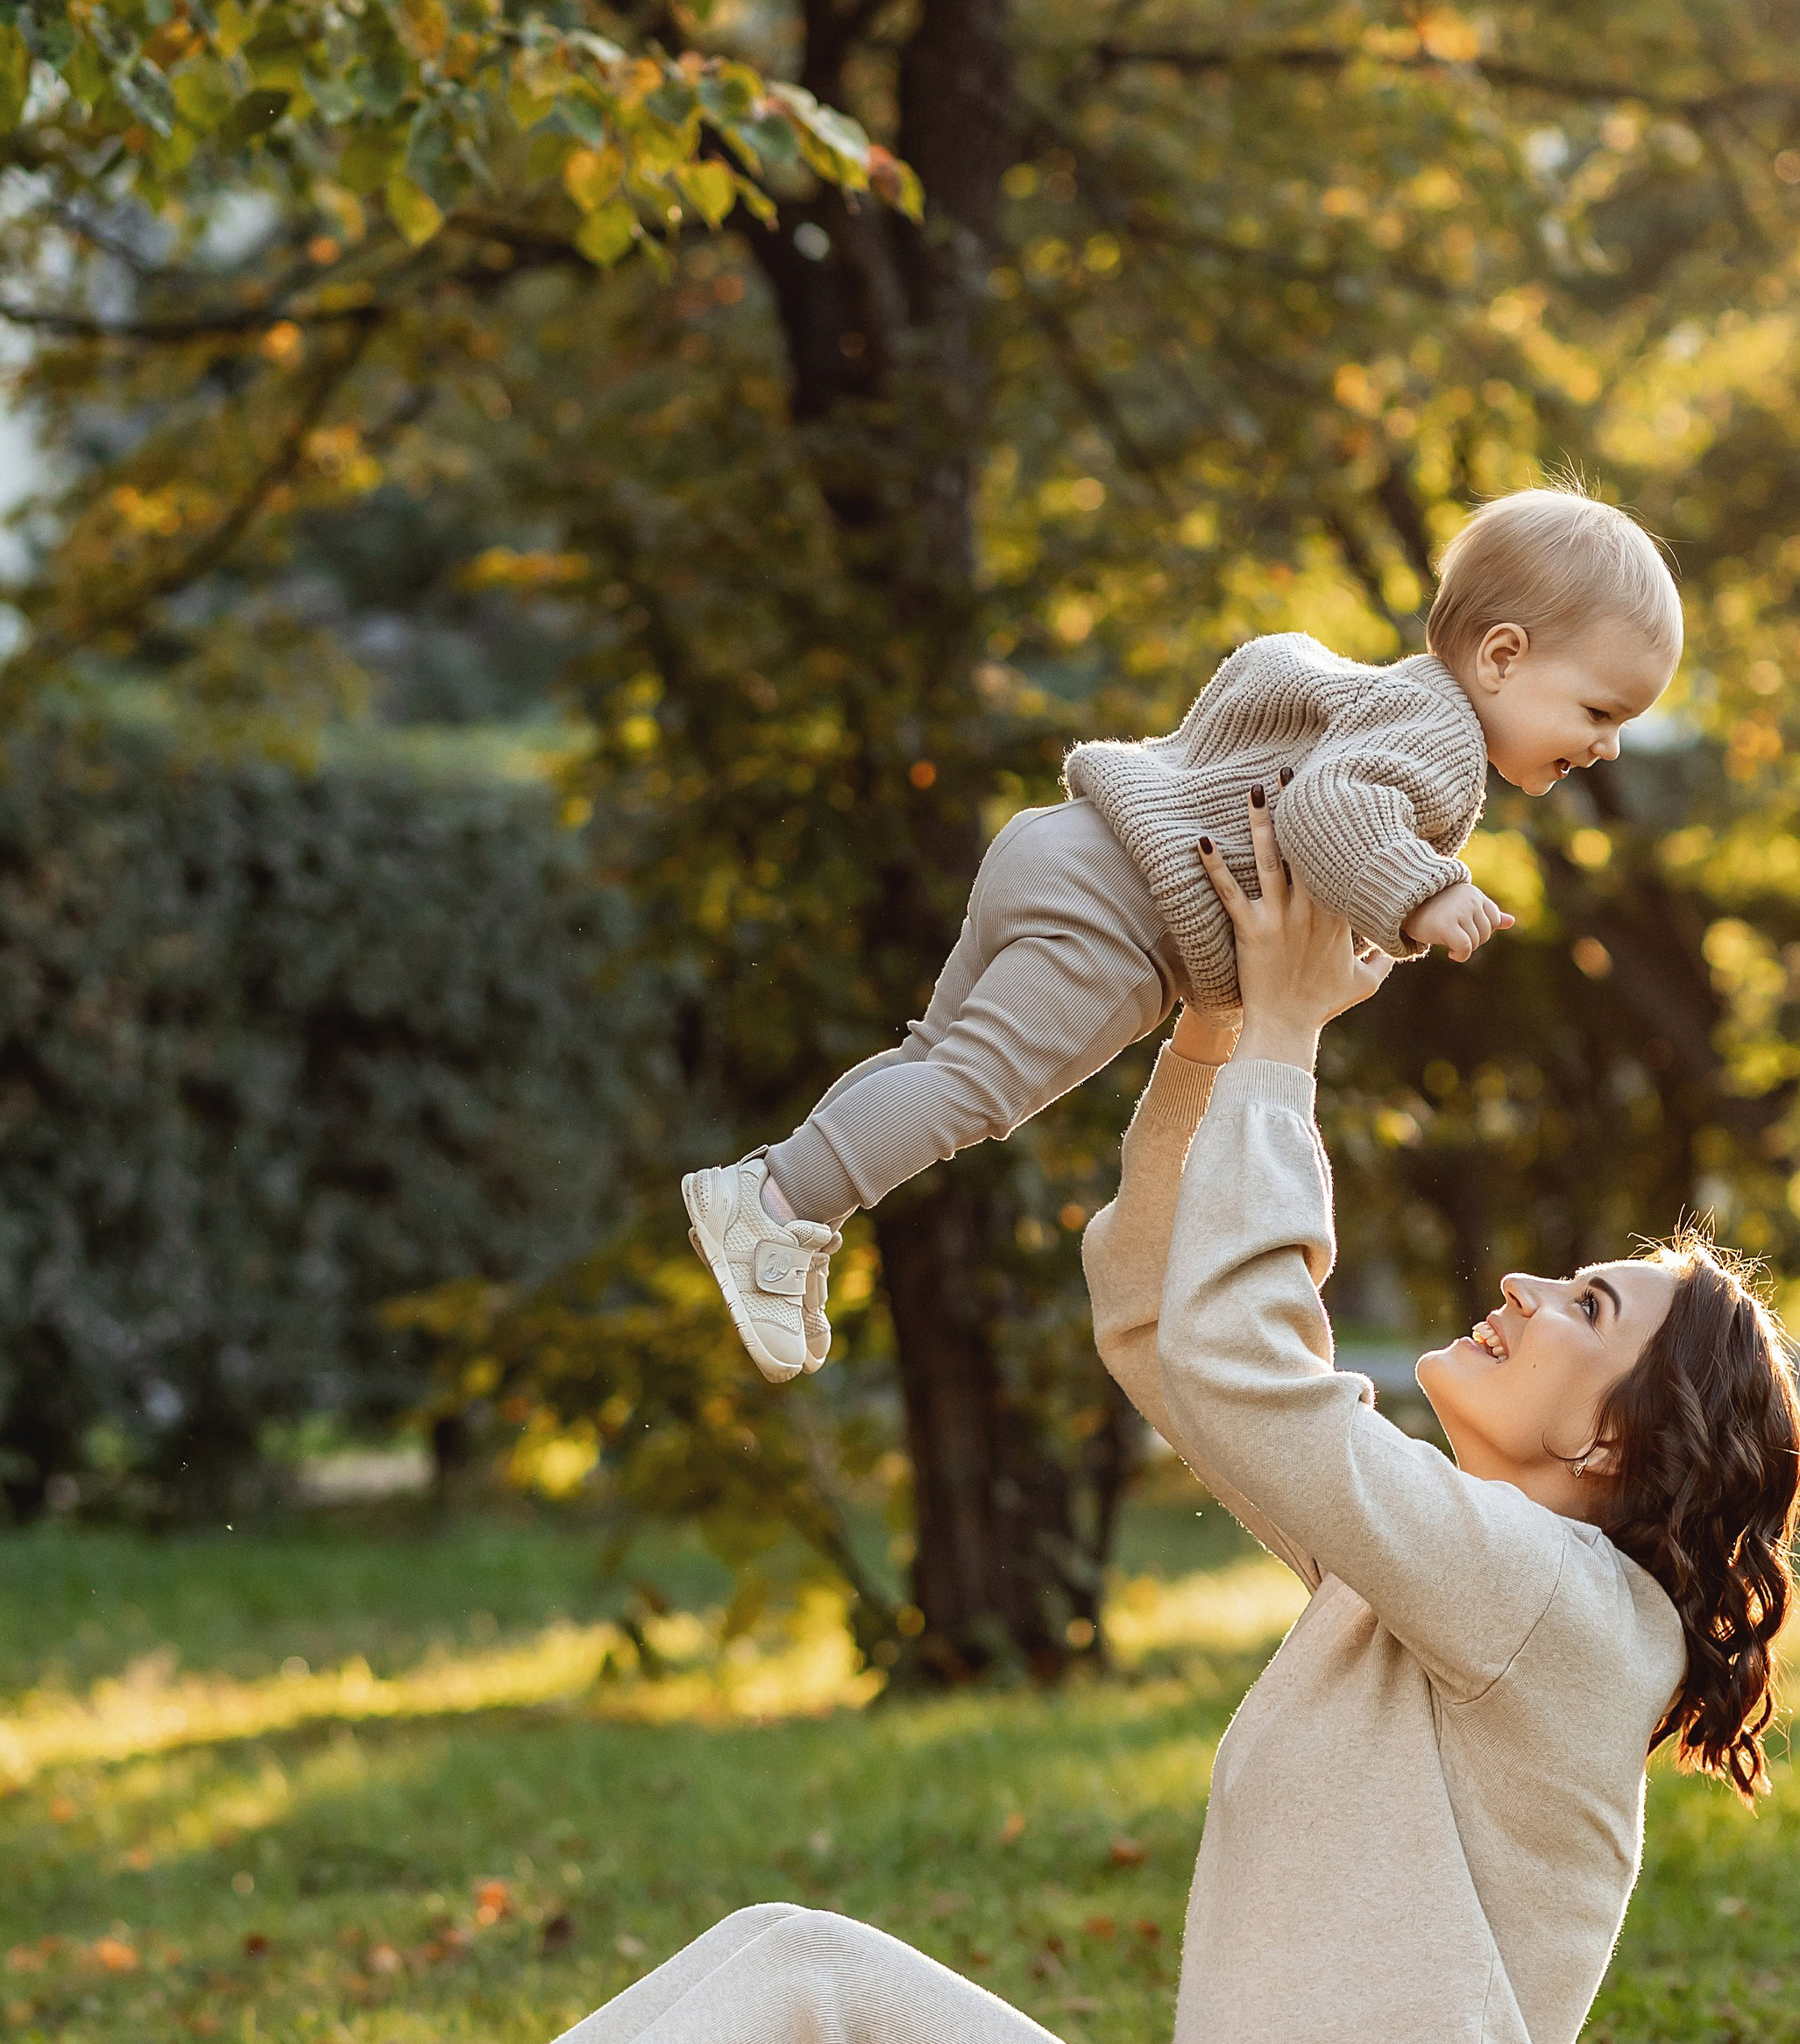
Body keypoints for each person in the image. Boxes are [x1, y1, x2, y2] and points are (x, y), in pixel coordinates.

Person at [0, 800, 1800, 2044]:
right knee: (778, 1950)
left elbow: (1255, 1381)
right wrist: (1214, 1035)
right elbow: (1173, 1342)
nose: (1516, 1286)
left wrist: (1301, 1039)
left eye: (1582, 1303)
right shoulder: (1448, 1577)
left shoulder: (1558, 1613)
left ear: (1612, 1441)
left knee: (824, 1994)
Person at [681, 484, 1683, 1383]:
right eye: (1599, 708)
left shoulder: (1382, 696)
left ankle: (788, 1198)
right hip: (1122, 918)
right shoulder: (1442, 737)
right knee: (972, 1090)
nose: (1607, 745)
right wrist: (1423, 892)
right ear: (1502, 656)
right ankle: (775, 1205)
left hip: (1066, 847)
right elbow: (1329, 811)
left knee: (932, 1058)